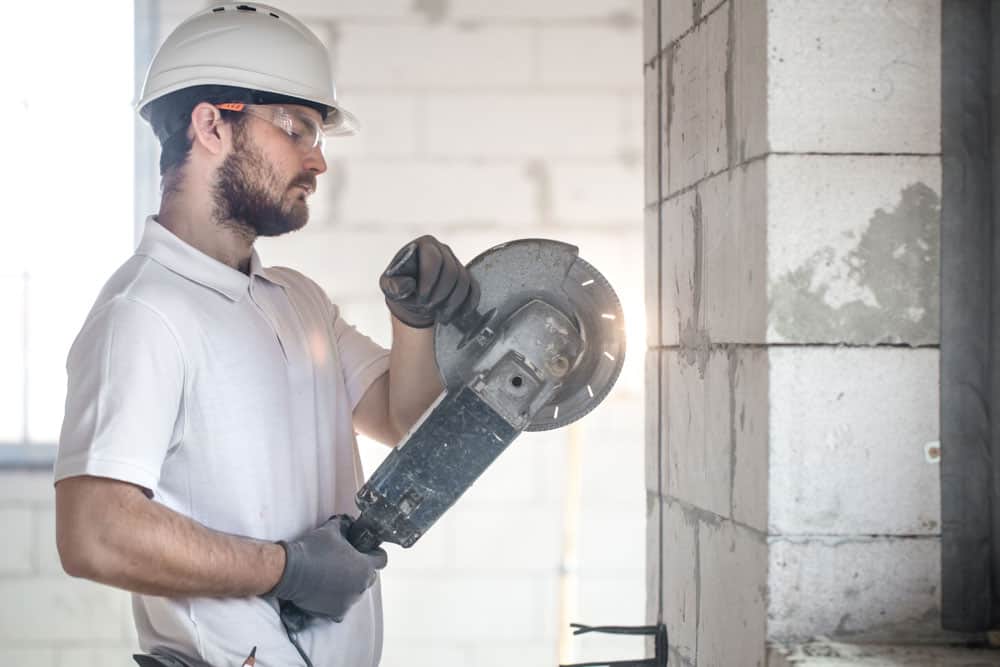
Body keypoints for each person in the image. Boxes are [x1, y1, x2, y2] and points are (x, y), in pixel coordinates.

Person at [52, 3, 478, 666]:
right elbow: (93, 531)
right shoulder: (145, 313)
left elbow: (404, 421)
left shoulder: (297, 301)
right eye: (297, 129)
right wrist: (287, 569)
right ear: (211, 125)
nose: (318, 160)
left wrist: (414, 321)